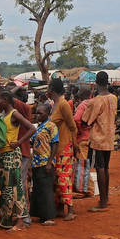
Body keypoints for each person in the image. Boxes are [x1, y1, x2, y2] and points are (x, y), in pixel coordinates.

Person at [0, 89, 35, 230]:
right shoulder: (1, 115)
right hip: (2, 155)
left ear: (6, 100)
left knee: (16, 188)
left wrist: (19, 142)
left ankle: (22, 220)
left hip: (12, 155)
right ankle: (6, 219)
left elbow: (31, 128)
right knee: (4, 189)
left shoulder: (14, 114)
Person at [83, 70, 116, 212]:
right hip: (109, 137)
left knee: (100, 167)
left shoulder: (96, 100)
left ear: (96, 83)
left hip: (98, 138)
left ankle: (102, 202)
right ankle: (105, 198)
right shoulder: (113, 98)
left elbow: (86, 119)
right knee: (106, 167)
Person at [47, 78, 77, 221]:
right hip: (55, 147)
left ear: (52, 89)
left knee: (63, 178)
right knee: (56, 178)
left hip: (64, 146)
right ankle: (59, 207)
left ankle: (70, 208)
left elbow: (72, 126)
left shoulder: (63, 104)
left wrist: (74, 145)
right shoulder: (55, 104)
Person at [30, 102, 59, 226]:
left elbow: (55, 143)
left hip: (45, 161)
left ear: (48, 113)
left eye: (40, 113)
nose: (37, 115)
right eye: (36, 113)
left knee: (46, 189)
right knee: (38, 188)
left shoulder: (51, 126)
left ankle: (49, 217)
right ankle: (41, 214)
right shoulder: (39, 126)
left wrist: (49, 162)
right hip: (36, 162)